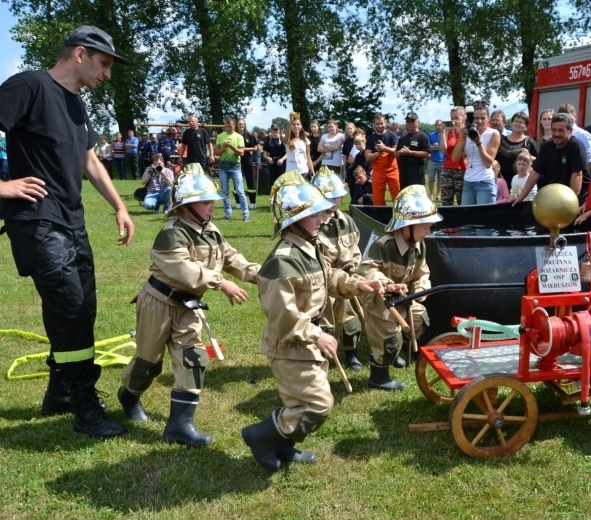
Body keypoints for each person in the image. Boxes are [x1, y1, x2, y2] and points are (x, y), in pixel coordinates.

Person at [0, 25, 134, 439]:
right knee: (70, 306)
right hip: (37, 219)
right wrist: (3, 186)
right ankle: (83, 404)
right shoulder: (28, 86)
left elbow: (90, 160)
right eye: (104, 64)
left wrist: (119, 205)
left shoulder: (77, 104)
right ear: (80, 54)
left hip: (72, 220)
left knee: (82, 307)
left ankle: (59, 391)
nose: (107, 74)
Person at [241, 178, 384, 471]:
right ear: (294, 220)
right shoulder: (282, 262)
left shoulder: (309, 247)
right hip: (291, 345)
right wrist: (316, 335)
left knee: (301, 404)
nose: (321, 218)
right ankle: (259, 435)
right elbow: (283, 316)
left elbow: (328, 277)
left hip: (306, 341)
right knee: (317, 405)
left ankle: (283, 445)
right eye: (314, 214)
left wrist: (359, 283)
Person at [118, 173, 259, 445]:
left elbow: (233, 259)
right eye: (204, 201)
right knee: (148, 364)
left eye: (211, 201)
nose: (211, 206)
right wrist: (222, 283)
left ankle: (180, 426)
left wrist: (267, 275)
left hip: (188, 306)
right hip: (158, 303)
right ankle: (129, 397)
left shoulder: (211, 230)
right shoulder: (171, 234)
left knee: (193, 360)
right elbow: (185, 270)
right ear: (185, 207)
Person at [357, 185, 441, 390]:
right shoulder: (383, 245)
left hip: (403, 299)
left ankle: (395, 353)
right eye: (425, 226)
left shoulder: (419, 244)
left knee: (420, 318)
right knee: (387, 339)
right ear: (407, 226)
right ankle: (379, 376)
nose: (428, 231)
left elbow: (422, 271)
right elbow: (366, 269)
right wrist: (387, 284)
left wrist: (421, 287)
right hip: (380, 302)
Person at [312, 168, 364, 371]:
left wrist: (354, 265)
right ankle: (326, 356)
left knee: (350, 319)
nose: (335, 201)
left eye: (338, 196)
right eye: (330, 197)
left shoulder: (347, 221)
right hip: (324, 282)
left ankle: (352, 354)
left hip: (347, 278)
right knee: (326, 322)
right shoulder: (313, 223)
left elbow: (356, 248)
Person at [512, 112, 590, 206]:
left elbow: (577, 175)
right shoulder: (546, 146)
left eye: (561, 130)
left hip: (576, 199)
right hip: (554, 197)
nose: (556, 134)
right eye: (554, 130)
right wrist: (521, 197)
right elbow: (535, 173)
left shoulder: (576, 146)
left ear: (570, 130)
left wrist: (570, 202)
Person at [451, 102, 500, 205]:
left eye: (483, 118)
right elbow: (455, 158)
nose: (479, 121)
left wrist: (478, 142)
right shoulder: (467, 133)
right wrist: (462, 139)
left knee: (483, 218)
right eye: (476, 118)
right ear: (472, 119)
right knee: (468, 217)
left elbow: (488, 163)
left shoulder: (493, 134)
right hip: (468, 181)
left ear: (488, 118)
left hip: (485, 182)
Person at [215, 116, 250, 222]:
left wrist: (231, 147)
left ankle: (246, 213)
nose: (228, 128)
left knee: (240, 191)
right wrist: (223, 148)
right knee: (224, 191)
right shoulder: (220, 136)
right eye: (226, 126)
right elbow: (217, 152)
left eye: (230, 126)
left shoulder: (239, 137)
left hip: (235, 167)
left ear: (234, 125)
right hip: (223, 167)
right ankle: (228, 213)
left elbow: (241, 153)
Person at [495, 111, 538, 188]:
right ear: (511, 123)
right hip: (502, 183)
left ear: (526, 127)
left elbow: (541, 161)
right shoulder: (501, 140)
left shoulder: (529, 142)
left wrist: (530, 157)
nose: (518, 124)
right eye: (516, 121)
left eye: (521, 122)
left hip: (521, 184)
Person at [365, 112, 400, 205]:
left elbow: (397, 152)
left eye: (381, 123)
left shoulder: (392, 135)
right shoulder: (371, 138)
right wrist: (378, 153)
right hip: (378, 171)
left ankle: (399, 216)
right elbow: (368, 157)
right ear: (374, 125)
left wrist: (384, 148)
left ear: (385, 123)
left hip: (392, 170)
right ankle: (380, 216)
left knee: (398, 197)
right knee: (377, 199)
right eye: (377, 124)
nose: (380, 125)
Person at [394, 111, 430, 189]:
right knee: (405, 196)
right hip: (403, 172)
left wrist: (410, 152)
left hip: (416, 172)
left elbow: (427, 154)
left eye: (412, 121)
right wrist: (400, 152)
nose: (410, 123)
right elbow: (395, 154)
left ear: (418, 122)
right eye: (408, 121)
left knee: (416, 196)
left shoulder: (422, 136)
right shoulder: (403, 137)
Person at [440, 106, 467, 206]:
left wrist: (461, 133)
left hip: (463, 169)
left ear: (463, 117)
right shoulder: (448, 133)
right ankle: (447, 221)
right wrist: (442, 133)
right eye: (452, 118)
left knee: (462, 200)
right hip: (447, 169)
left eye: (456, 117)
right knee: (446, 201)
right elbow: (443, 150)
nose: (454, 120)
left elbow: (466, 153)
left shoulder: (468, 132)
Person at [236, 118, 259, 209]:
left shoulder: (250, 135)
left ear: (245, 125)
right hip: (237, 161)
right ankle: (238, 203)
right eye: (239, 124)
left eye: (243, 124)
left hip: (248, 161)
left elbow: (255, 147)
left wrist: (243, 149)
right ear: (237, 125)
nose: (241, 126)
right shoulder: (234, 135)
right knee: (237, 183)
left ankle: (253, 202)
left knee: (250, 182)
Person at [285, 112, 315, 180]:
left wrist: (313, 173)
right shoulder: (288, 140)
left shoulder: (306, 140)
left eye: (298, 124)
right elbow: (286, 137)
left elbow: (308, 157)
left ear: (301, 126)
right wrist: (290, 121)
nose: (296, 126)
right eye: (294, 124)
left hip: (304, 171)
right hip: (291, 172)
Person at [264, 123, 287, 191]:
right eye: (274, 130)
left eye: (276, 130)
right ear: (271, 130)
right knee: (273, 181)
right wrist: (268, 158)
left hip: (281, 163)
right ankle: (273, 198)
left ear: (279, 130)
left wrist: (282, 159)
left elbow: (288, 153)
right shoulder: (268, 141)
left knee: (282, 181)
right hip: (272, 163)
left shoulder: (283, 140)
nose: (275, 131)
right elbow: (264, 154)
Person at [427, 119, 445, 201]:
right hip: (433, 160)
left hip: (442, 161)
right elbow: (427, 147)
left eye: (439, 125)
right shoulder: (431, 135)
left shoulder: (444, 135)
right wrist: (432, 148)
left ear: (442, 125)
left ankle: (438, 195)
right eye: (436, 125)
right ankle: (430, 195)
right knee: (431, 179)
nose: (438, 126)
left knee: (440, 180)